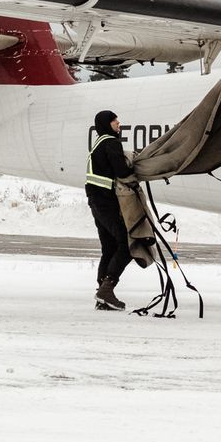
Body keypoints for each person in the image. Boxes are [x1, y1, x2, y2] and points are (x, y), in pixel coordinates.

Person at [86, 109, 133, 310]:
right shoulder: (111, 142)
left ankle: (102, 294)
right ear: (107, 124)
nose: (118, 123)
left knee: (109, 246)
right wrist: (135, 166)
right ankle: (107, 288)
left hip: (95, 201)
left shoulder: (98, 143)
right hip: (105, 202)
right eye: (115, 121)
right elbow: (121, 171)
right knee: (126, 243)